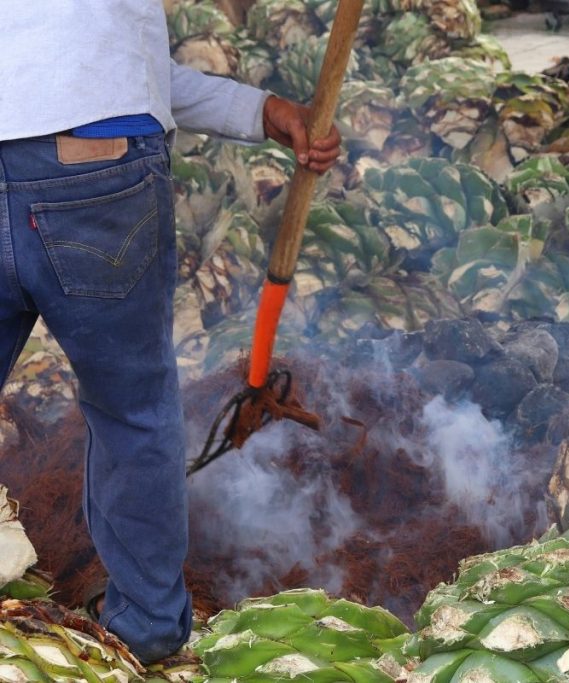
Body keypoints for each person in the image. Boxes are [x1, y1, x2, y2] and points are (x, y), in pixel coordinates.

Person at [0, 2, 341, 664]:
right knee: (132, 409)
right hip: (94, 165)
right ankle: (147, 629)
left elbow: (82, 55)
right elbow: (100, 67)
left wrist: (257, 108)